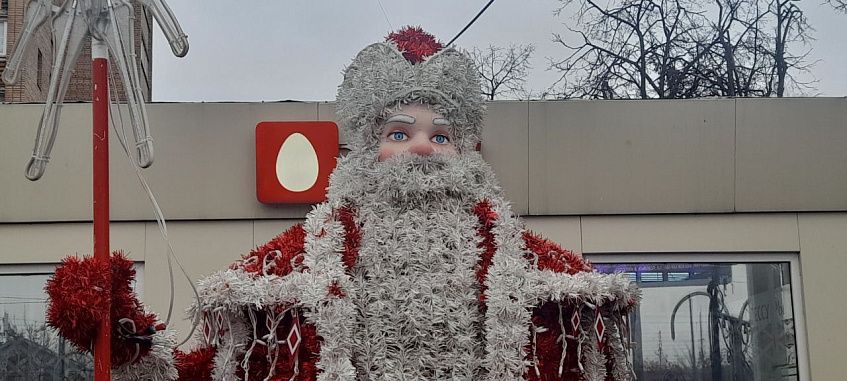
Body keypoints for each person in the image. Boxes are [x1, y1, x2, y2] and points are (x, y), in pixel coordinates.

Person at [46, 26, 639, 381]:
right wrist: (121, 334)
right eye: (399, 133)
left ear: (468, 148)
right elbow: (199, 370)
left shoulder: (536, 269)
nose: (424, 148)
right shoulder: (298, 262)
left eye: (443, 134)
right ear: (364, 146)